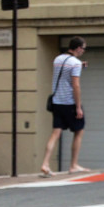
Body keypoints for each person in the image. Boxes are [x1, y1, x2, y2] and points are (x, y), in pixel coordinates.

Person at [39, 36, 90, 177]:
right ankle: (73, 165)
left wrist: (80, 65)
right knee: (79, 131)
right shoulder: (75, 63)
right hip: (69, 103)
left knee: (55, 133)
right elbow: (76, 85)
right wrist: (78, 107)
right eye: (83, 49)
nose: (83, 52)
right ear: (78, 48)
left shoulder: (58, 59)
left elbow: (65, 72)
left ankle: (45, 163)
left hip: (56, 102)